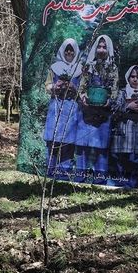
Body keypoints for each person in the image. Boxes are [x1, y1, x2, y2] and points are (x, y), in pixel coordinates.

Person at [74, 35, 119, 184]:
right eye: (99, 47)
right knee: (82, 146)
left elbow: (114, 89)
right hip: (86, 112)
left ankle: (100, 181)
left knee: (101, 148)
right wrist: (83, 96)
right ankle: (79, 179)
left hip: (103, 114)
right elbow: (82, 86)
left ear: (108, 49)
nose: (101, 50)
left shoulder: (113, 68)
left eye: (104, 47)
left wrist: (109, 100)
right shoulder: (88, 66)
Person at [43, 38, 82, 180]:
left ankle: (63, 179)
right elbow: (47, 85)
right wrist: (54, 86)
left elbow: (83, 90)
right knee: (52, 143)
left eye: (72, 50)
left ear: (76, 51)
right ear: (62, 51)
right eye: (67, 49)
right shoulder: (54, 67)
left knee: (68, 145)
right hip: (56, 108)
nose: (69, 52)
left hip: (72, 109)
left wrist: (74, 87)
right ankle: (49, 177)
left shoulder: (80, 69)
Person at [110, 65, 138, 187]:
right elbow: (113, 111)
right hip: (122, 138)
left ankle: (130, 188)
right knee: (120, 165)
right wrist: (128, 107)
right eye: (132, 76)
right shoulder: (122, 93)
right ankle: (119, 188)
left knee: (134, 166)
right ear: (128, 78)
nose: (135, 79)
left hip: (137, 140)